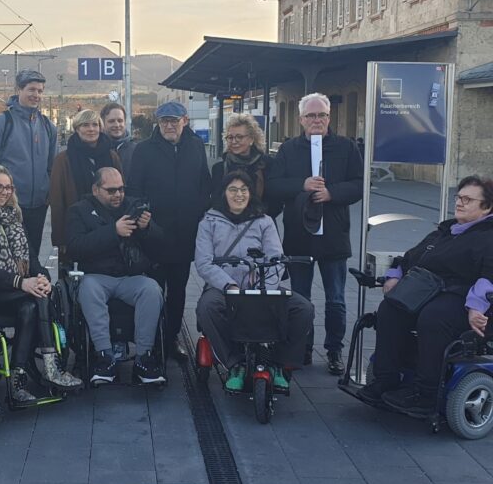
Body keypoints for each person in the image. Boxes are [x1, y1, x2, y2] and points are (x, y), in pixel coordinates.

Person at [358, 175, 493, 416]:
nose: (460, 202)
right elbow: (412, 256)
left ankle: (426, 393)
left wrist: (476, 307)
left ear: (487, 207)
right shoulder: (446, 230)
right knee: (390, 309)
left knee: (433, 317)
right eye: (459, 197)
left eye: (468, 199)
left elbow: (488, 277)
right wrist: (394, 275)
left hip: (462, 297)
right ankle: (386, 378)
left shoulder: (487, 237)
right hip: (427, 290)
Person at [0, 165, 82, 404]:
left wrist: (43, 278)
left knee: (31, 304)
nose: (4, 192)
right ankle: (50, 367)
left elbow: (32, 258)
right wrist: (22, 282)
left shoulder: (14, 216)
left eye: (8, 187)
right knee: (36, 297)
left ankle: (17, 379)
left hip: (16, 290)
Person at [266, 92, 363, 375]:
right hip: (299, 235)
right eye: (311, 115)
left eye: (321, 115)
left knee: (335, 299)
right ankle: (302, 349)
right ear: (301, 120)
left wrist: (332, 193)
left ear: (329, 118)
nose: (316, 120)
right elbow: (274, 185)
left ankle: (334, 350)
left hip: (333, 236)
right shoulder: (288, 149)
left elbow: (359, 184)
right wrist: (303, 184)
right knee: (300, 298)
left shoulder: (346, 147)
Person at [195, 170, 314, 391]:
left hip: (260, 286)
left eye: (243, 189)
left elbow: (276, 259)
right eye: (233, 190)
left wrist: (265, 289)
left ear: (250, 193)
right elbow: (203, 262)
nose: (238, 195)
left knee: (303, 308)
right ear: (223, 193)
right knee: (208, 307)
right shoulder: (209, 221)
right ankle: (234, 363)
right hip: (224, 288)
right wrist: (228, 285)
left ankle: (279, 363)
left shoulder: (264, 221)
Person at [128, 101, 211, 361]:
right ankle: (150, 340)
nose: (169, 125)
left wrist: (199, 213)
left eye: (174, 120)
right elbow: (133, 190)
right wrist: (143, 216)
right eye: (164, 120)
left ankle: (171, 336)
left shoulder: (196, 146)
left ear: (184, 121)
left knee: (178, 292)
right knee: (152, 291)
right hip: (153, 235)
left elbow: (204, 184)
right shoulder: (143, 150)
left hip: (184, 236)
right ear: (158, 122)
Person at [66, 167, 166, 385]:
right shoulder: (79, 210)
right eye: (111, 190)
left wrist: (147, 227)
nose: (118, 195)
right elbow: (74, 247)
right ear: (95, 189)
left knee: (151, 290)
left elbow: (161, 244)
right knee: (88, 288)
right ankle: (105, 356)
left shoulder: (133, 205)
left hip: (130, 276)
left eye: (121, 189)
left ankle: (144, 357)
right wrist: (113, 231)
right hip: (96, 275)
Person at [0, 70, 57, 260]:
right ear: (18, 90)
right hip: (8, 205)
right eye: (31, 89)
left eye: (40, 91)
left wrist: (47, 192)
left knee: (32, 257)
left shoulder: (48, 126)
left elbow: (52, 165)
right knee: (10, 257)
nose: (36, 95)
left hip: (38, 206)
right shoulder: (2, 123)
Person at [50, 109, 122, 257]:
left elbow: (120, 191)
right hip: (76, 230)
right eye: (85, 125)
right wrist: (60, 239)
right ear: (77, 129)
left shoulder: (112, 156)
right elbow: (57, 201)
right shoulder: (63, 160)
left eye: (95, 125)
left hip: (108, 228)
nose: (91, 129)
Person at [210, 113, 278, 214]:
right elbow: (216, 201)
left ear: (251, 139)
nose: (234, 141)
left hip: (261, 222)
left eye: (239, 137)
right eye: (230, 137)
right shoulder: (219, 168)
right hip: (229, 224)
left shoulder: (267, 164)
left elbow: (276, 200)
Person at [101, 102, 136, 175]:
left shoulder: (137, 150)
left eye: (120, 121)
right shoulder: (96, 150)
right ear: (103, 123)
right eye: (111, 121)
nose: (117, 125)